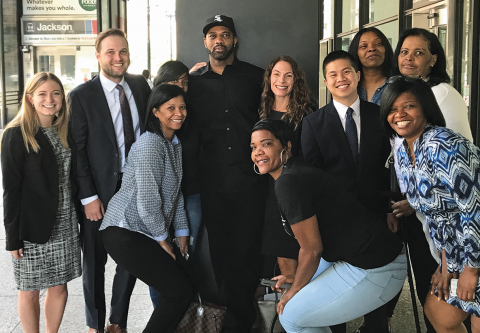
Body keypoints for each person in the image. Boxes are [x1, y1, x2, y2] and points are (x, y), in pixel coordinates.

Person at [250, 118, 407, 333]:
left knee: (292, 316)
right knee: (303, 308)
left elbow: (312, 249)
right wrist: (300, 279)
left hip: (378, 267)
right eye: (254, 147)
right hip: (364, 259)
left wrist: (294, 290)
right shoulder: (290, 175)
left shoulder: (289, 181)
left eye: (266, 143)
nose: (258, 151)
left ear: (286, 146)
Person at [301, 50, 393, 333]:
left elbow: (390, 168)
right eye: (333, 75)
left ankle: (376, 327)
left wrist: (391, 207)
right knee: (334, 284)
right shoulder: (313, 123)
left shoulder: (380, 116)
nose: (340, 79)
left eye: (346, 72)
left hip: (374, 216)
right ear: (326, 82)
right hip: (334, 222)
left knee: (377, 281)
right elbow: (310, 178)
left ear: (357, 75)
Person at [381, 75, 480, 333]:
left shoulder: (445, 144)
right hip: (456, 252)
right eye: (392, 109)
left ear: (425, 107)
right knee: (439, 314)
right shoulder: (403, 149)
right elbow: (436, 215)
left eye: (409, 106)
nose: (400, 114)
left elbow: (473, 209)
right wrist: (446, 263)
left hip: (476, 251)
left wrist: (471, 269)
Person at [187, 14, 267, 332]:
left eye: (225, 34)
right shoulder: (192, 83)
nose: (219, 40)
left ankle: (244, 317)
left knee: (248, 250)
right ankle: (227, 316)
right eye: (212, 35)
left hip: (250, 181)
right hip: (211, 182)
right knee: (219, 251)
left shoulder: (256, 77)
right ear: (205, 42)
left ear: (234, 40)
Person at [69, 28, 151, 333]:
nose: (118, 58)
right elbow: (78, 150)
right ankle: (95, 324)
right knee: (95, 261)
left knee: (129, 258)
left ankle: (117, 321)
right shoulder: (81, 96)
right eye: (111, 52)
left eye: (123, 52)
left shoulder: (139, 85)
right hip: (99, 193)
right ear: (99, 56)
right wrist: (88, 197)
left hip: (134, 187)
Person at [100, 84, 194, 333]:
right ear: (155, 112)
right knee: (179, 291)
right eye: (170, 107)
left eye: (182, 107)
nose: (179, 112)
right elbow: (148, 202)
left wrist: (182, 232)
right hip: (124, 231)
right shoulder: (150, 144)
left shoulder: (173, 143)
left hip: (143, 231)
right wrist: (163, 241)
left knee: (185, 286)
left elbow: (176, 192)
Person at [1, 72, 81, 332]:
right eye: (43, 94)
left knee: (59, 285)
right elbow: (11, 191)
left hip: (65, 222)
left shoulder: (65, 131)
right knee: (30, 288)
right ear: (30, 98)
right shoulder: (16, 134)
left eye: (56, 93)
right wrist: (12, 237)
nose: (50, 99)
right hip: (33, 227)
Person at [148, 60, 201, 308]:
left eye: (184, 83)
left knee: (186, 254)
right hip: (159, 203)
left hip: (189, 195)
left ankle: (183, 315)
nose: (180, 86)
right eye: (173, 82)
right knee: (160, 258)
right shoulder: (150, 138)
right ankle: (164, 313)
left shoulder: (188, 116)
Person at [259, 55, 315, 277]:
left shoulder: (308, 113)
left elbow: (311, 157)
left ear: (296, 80)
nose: (281, 80)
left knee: (300, 255)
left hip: (294, 191)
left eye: (288, 75)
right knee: (281, 258)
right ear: (269, 78)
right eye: (276, 74)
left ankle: (300, 309)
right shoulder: (261, 108)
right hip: (267, 193)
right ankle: (288, 309)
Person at [348, 27, 394, 105]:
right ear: (356, 52)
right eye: (364, 46)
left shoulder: (396, 85)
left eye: (378, 44)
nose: (371, 49)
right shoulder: (349, 87)